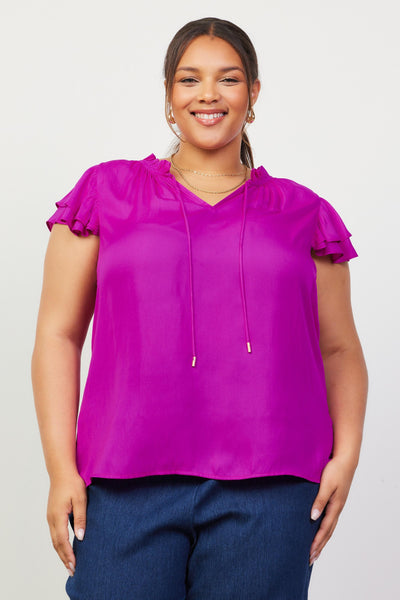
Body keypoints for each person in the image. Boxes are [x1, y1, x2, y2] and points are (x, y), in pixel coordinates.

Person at [31, 16, 368, 600]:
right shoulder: (106, 193)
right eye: (190, 79)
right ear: (169, 95)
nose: (208, 94)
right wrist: (61, 470)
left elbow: (339, 348)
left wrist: (347, 458)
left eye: (228, 79)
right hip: (122, 483)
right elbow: (58, 335)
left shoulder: (304, 212)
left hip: (272, 488)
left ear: (253, 94)